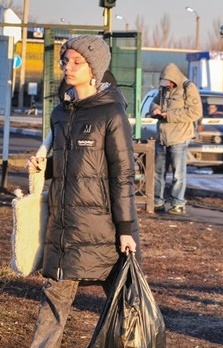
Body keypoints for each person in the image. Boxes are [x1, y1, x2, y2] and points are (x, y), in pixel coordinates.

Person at [26, 35, 140, 348]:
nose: (68, 67)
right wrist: (44, 168)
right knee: (53, 299)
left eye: (78, 62)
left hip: (103, 230)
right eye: (66, 60)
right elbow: (69, 166)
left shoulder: (111, 115)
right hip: (64, 228)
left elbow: (123, 175)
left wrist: (126, 229)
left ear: (95, 69)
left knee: (127, 303)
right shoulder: (60, 113)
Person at [149, 63, 202, 215]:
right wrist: (155, 109)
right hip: (162, 137)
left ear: (175, 79)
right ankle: (157, 201)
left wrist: (170, 115)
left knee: (178, 174)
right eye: (165, 83)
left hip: (179, 137)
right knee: (158, 172)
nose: (168, 85)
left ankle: (177, 203)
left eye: (170, 82)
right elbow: (155, 102)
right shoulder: (163, 89)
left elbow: (195, 112)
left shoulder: (188, 88)